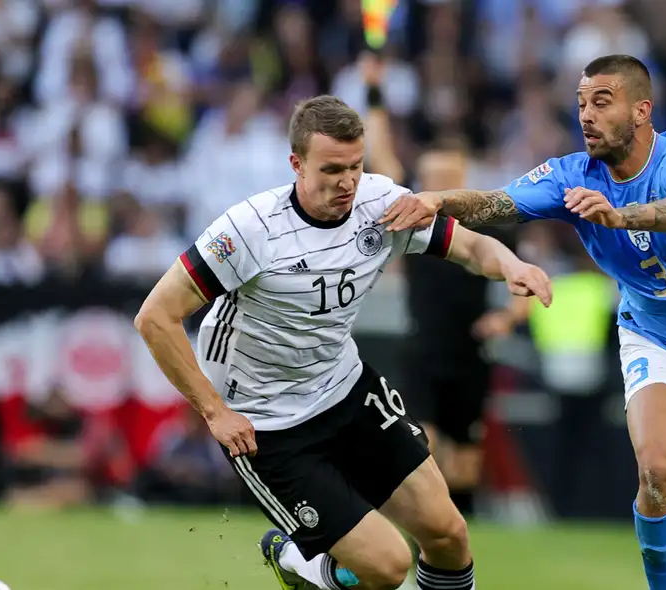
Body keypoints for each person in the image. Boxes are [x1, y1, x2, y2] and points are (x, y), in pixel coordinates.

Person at [381, 54, 666, 590]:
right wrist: (438, 200)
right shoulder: (571, 176)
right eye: (581, 104)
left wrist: (620, 216)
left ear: (641, 110)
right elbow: (497, 203)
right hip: (657, 339)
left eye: (602, 102)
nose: (587, 115)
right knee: (657, 473)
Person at [135, 95, 552, 590]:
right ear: (296, 164)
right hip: (267, 424)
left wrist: (511, 266)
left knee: (448, 534)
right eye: (332, 169)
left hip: (346, 392)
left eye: (355, 166)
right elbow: (155, 317)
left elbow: (468, 244)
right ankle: (293, 557)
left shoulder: (379, 204)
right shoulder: (249, 230)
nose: (347, 182)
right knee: (387, 567)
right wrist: (214, 412)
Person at [359, 52, 509, 517]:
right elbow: (381, 153)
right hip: (424, 351)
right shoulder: (411, 217)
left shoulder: (487, 224)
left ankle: (456, 532)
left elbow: (522, 279)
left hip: (470, 355)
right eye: (433, 177)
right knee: (425, 445)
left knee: (464, 462)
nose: (439, 184)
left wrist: (506, 317)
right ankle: (428, 530)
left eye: (449, 177)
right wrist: (374, 92)